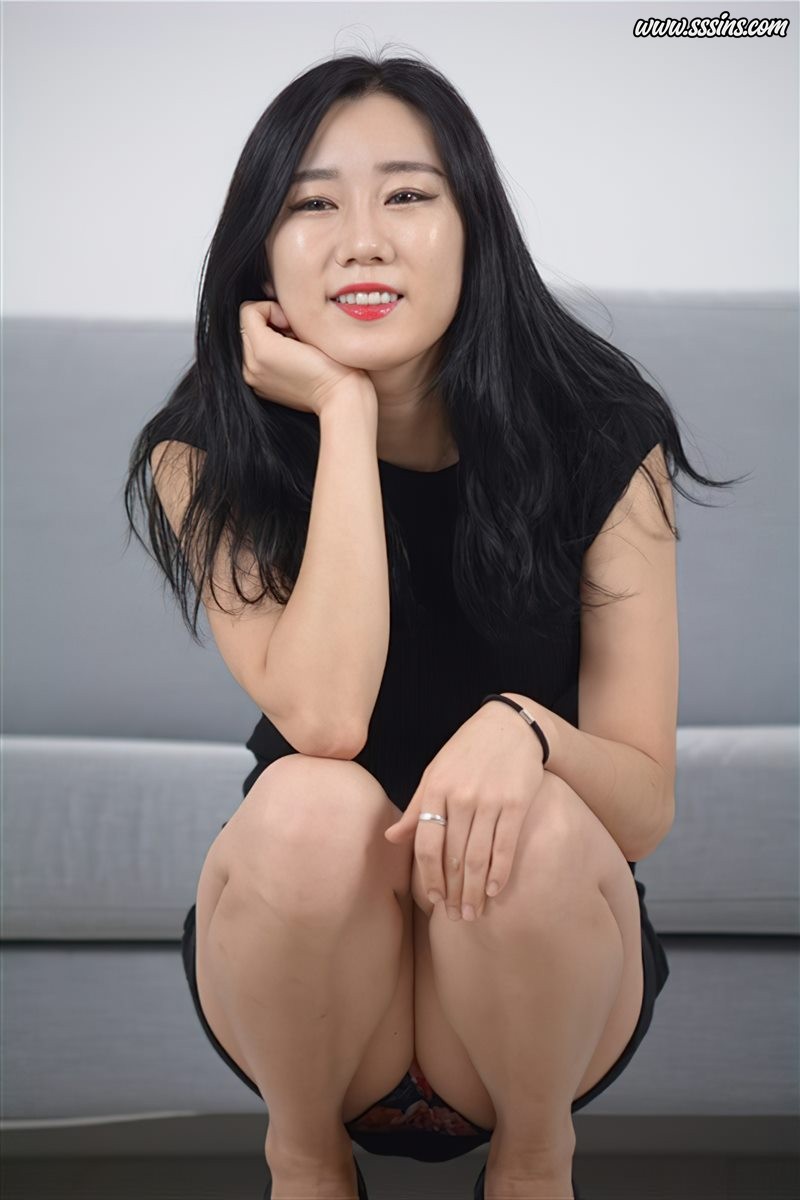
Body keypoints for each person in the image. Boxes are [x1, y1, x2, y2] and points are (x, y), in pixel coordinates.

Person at [123, 49, 745, 1200]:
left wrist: (529, 732)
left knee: (535, 823)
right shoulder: (201, 450)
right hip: (315, 996)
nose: (361, 240)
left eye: (406, 195)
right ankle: (305, 1162)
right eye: (311, 204)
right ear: (259, 252)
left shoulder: (599, 430)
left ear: (473, 231)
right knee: (307, 802)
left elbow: (643, 807)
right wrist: (343, 414)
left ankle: (531, 1166)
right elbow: (324, 719)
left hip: (531, 986)